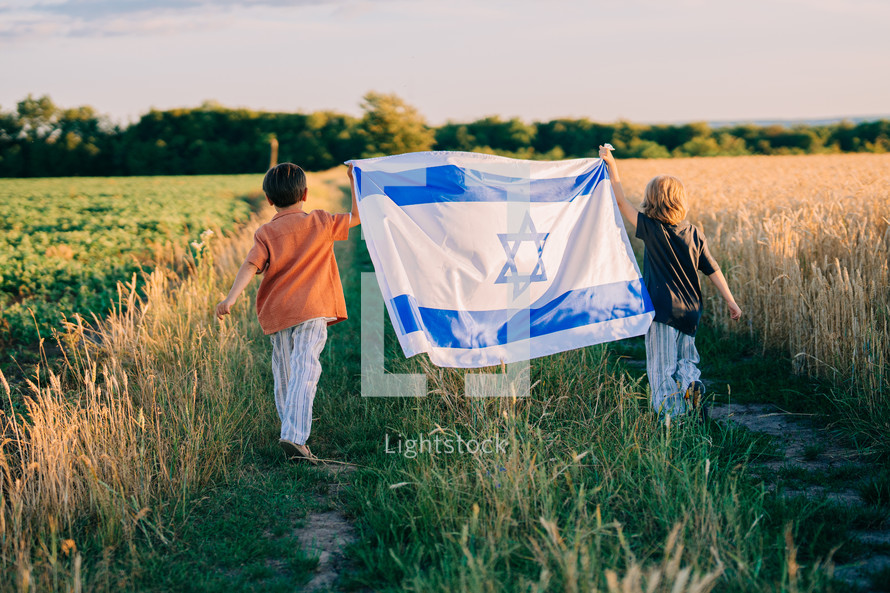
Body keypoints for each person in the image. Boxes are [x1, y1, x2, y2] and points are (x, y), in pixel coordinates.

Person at [215, 162, 360, 461]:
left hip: (278, 312)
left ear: (269, 200)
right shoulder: (321, 221)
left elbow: (250, 266)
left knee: (284, 373)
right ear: (305, 194)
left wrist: (230, 299)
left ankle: (289, 431)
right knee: (305, 369)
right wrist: (353, 178)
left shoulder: (266, 232)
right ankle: (294, 437)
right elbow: (358, 216)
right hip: (313, 308)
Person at [598, 145, 741, 420]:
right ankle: (690, 384)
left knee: (661, 367)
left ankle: (672, 419)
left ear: (651, 200)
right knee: (687, 359)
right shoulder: (693, 232)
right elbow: (712, 268)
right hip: (690, 310)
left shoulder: (651, 229)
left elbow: (620, 202)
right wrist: (730, 301)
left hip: (662, 311)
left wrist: (611, 163)